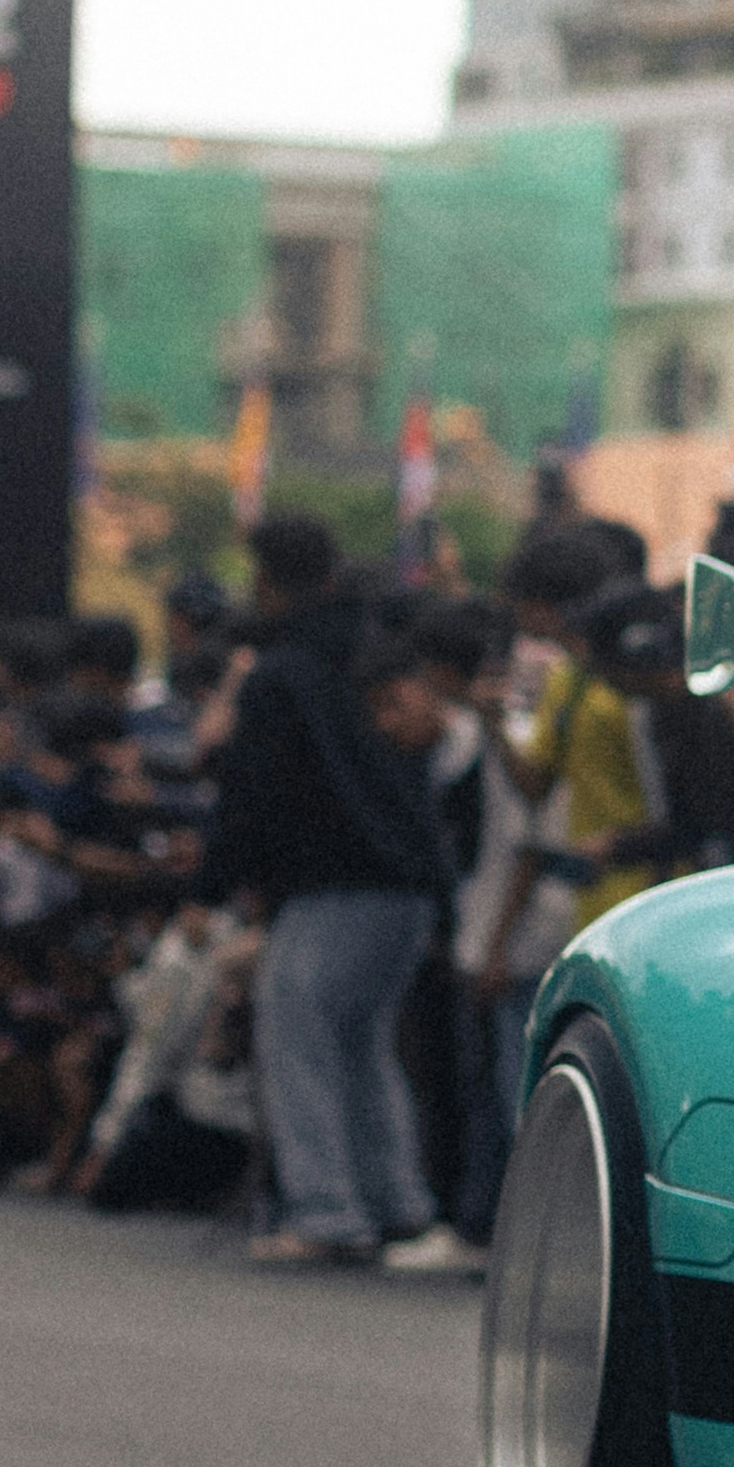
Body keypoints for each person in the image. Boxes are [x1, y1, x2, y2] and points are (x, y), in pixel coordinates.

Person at [214, 510, 468, 1273]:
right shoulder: (378, 647)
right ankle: (396, 1205)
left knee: (296, 1034)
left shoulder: (280, 672)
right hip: (408, 880)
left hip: (331, 878)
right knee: (362, 1043)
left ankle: (326, 1209)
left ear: (264, 580)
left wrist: (213, 883)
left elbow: (249, 790)